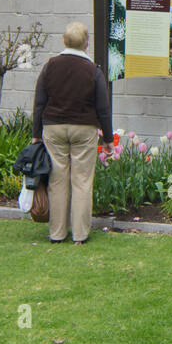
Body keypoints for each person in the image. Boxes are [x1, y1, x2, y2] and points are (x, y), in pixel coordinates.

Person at [31, 22, 114, 244]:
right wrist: (108, 139)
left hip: (53, 128)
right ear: (87, 44)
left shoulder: (50, 66)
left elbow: (40, 102)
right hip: (84, 129)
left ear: (64, 41)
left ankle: (57, 234)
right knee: (82, 181)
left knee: (57, 181)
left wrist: (36, 133)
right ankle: (80, 234)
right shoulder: (93, 71)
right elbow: (103, 108)